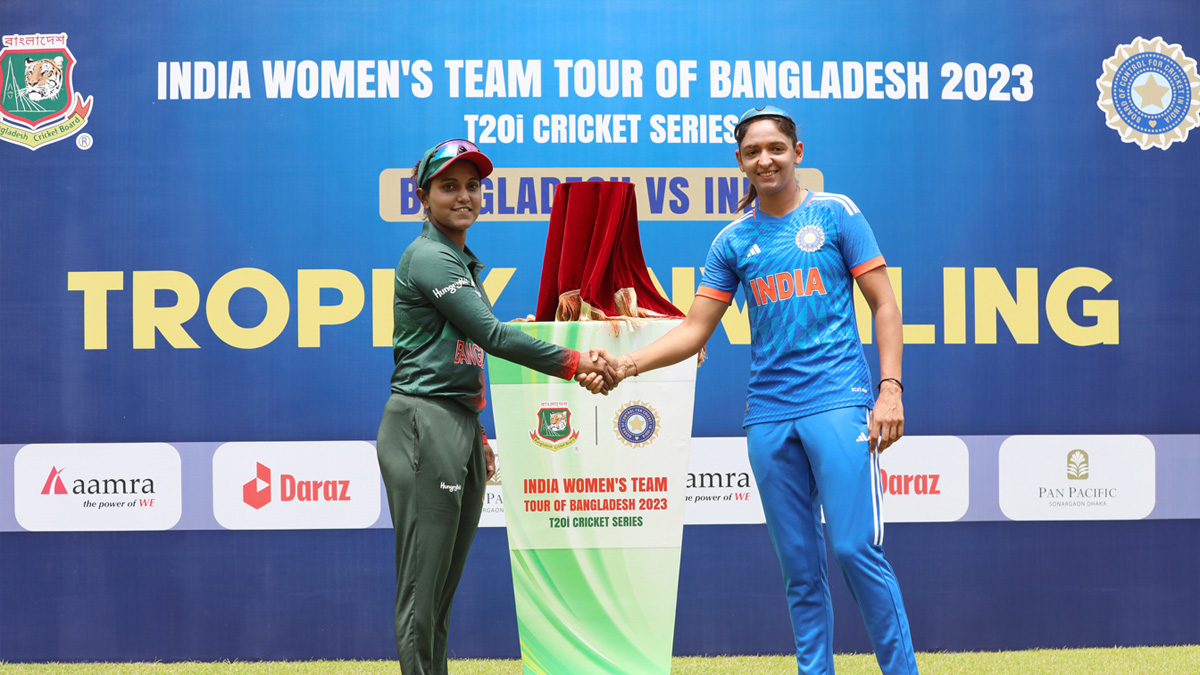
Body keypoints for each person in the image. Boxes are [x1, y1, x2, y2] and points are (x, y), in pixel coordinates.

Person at [584, 106, 918, 674]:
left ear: (797, 153)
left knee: (854, 548)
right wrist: (625, 365)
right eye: (753, 152)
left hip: (838, 400)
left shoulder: (837, 213)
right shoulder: (732, 240)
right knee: (800, 569)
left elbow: (884, 304)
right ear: (739, 161)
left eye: (776, 148)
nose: (766, 159)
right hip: (768, 414)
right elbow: (694, 330)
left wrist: (890, 389)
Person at [376, 138, 614, 675]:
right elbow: (492, 337)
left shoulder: (458, 260)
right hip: (423, 422)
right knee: (421, 588)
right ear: (423, 197)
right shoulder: (430, 257)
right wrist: (577, 362)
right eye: (448, 186)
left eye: (472, 186)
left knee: (441, 589)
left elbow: (459, 355)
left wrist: (475, 429)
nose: (464, 196)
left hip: (455, 422)